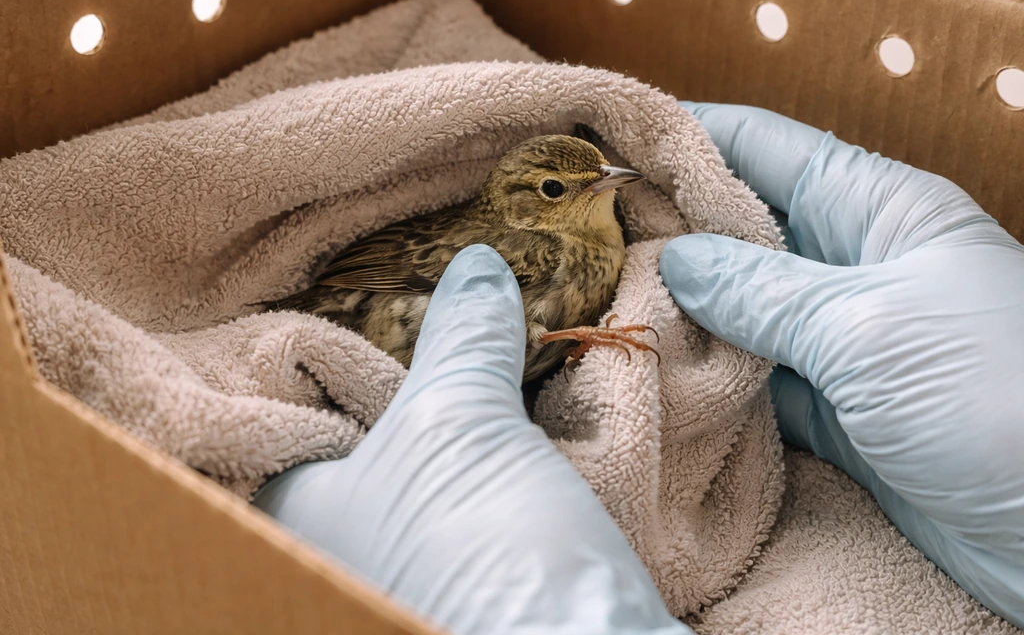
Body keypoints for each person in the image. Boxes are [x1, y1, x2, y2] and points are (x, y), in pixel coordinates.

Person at [254, 103, 1024, 633]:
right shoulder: (539, 248)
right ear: (527, 205)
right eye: (562, 191)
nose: (606, 189)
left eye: (602, 175)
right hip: (379, 307)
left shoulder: (606, 238)